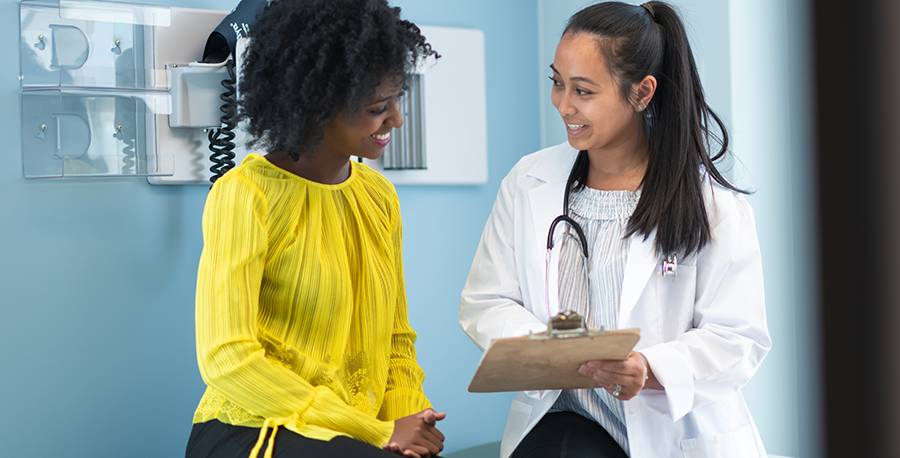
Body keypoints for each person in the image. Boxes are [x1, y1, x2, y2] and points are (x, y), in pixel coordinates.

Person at [459, 2, 770, 457]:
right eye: (557, 82)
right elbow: (485, 300)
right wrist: (552, 352)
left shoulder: (712, 204)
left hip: (672, 432)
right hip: (563, 427)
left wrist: (649, 366)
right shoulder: (529, 181)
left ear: (642, 93)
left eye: (583, 91)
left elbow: (739, 337)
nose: (563, 105)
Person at [184, 1, 444, 458]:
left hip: (353, 435)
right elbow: (228, 359)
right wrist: (371, 429)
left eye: (397, 100)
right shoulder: (245, 195)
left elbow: (397, 342)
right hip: (254, 427)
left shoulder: (378, 198)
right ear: (316, 104)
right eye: (378, 107)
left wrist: (412, 427)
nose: (397, 120)